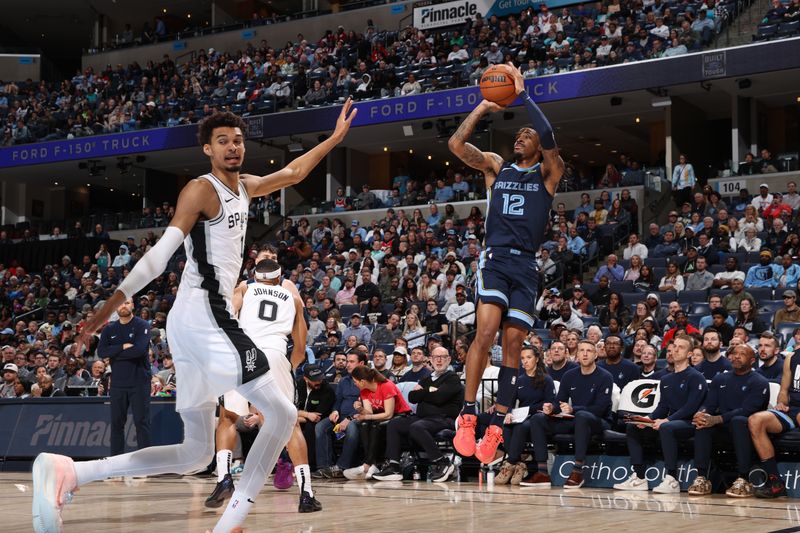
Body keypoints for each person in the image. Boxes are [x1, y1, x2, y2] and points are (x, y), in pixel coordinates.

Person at [31, 104, 357, 533]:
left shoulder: (246, 188)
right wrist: (109, 306)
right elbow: (160, 254)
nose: (232, 147)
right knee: (281, 414)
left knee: (196, 454)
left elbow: (294, 173)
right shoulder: (201, 190)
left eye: (238, 140)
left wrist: (334, 139)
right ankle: (231, 523)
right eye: (222, 141)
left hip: (191, 322)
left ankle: (71, 472)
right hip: (207, 316)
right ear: (208, 149)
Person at [448, 64, 564, 464]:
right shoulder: (497, 166)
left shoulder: (550, 173)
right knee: (486, 331)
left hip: (527, 265)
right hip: (495, 259)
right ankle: (467, 414)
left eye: (526, 134)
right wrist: (483, 106)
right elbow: (456, 145)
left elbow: (548, 136)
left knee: (514, 345)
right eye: (519, 132)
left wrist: (525, 95)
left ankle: (496, 425)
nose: (522, 135)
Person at [208, 258, 320, 513]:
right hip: (275, 354)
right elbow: (300, 349)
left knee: (227, 418)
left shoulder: (244, 289)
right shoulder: (293, 299)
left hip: (244, 354)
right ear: (279, 279)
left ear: (256, 277)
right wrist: (286, 367)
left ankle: (224, 477)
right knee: (289, 424)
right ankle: (306, 493)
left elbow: (224, 319)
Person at [614, 335, 707, 493]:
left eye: (681, 347)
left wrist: (666, 420)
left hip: (690, 423)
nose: (675, 350)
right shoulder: (666, 379)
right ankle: (639, 476)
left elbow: (691, 407)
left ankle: (672, 479)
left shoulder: (696, 377)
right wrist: (647, 419)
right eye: (674, 347)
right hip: (671, 421)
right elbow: (663, 406)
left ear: (690, 354)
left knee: (667, 428)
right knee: (634, 427)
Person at [523, 341, 613, 488]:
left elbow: (600, 409)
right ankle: (542, 473)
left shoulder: (605, 376)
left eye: (589, 351)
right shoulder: (569, 375)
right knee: (538, 418)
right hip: (575, 419)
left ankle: (578, 471)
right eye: (581, 351)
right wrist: (552, 408)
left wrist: (573, 409)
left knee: (582, 416)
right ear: (576, 355)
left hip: (598, 421)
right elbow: (560, 402)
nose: (584, 354)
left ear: (596, 355)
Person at [687, 344, 769, 497]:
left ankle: (744, 479)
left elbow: (747, 410)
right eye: (734, 353)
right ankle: (702, 477)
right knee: (702, 424)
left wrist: (717, 418)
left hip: (747, 429)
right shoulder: (720, 378)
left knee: (739, 420)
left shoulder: (760, 382)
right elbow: (709, 404)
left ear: (752, 361)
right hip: (723, 427)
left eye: (742, 354)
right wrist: (701, 413)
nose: (736, 356)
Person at [373, 345, 464, 483]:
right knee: (394, 424)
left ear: (449, 359)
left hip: (444, 419)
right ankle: (394, 466)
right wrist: (430, 391)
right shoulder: (427, 379)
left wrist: (424, 392)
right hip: (423, 418)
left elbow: (440, 398)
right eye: (435, 357)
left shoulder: (452, 378)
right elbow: (412, 397)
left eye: (442, 357)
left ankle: (442, 462)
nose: (439, 360)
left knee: (417, 426)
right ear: (430, 360)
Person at [493, 345, 556, 485]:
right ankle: (520, 465)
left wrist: (528, 410)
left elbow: (549, 403)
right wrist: (509, 412)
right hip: (521, 415)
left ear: (537, 359)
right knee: (507, 426)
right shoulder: (519, 380)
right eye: (522, 358)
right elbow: (510, 400)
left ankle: (509, 464)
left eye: (529, 357)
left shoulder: (546, 380)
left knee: (522, 426)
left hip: (538, 418)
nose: (525, 361)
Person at [97, 298, 152, 456]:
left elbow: (139, 350)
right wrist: (122, 346)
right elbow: (101, 352)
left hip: (139, 382)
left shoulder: (142, 325)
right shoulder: (109, 329)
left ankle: (145, 462)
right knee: (116, 424)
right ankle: (116, 462)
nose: (123, 306)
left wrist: (114, 352)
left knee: (142, 423)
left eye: (127, 303)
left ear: (133, 305)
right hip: (118, 384)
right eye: (120, 303)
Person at [747, 346, 800, 498]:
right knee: (755, 420)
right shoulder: (792, 357)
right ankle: (776, 482)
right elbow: (784, 390)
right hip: (793, 408)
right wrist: (781, 403)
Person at [344, 365, 412, 480]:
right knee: (364, 424)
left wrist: (366, 417)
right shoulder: (364, 391)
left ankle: (367, 464)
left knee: (375, 425)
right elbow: (369, 413)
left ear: (363, 381)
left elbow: (389, 414)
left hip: (400, 416)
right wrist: (360, 410)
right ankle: (372, 464)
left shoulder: (386, 386)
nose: (354, 384)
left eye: (355, 381)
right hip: (381, 416)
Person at [314, 351, 366, 479]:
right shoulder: (343, 380)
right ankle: (324, 467)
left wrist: (349, 418)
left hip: (359, 417)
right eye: (347, 361)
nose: (347, 365)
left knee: (352, 428)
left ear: (361, 363)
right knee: (320, 427)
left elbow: (365, 405)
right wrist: (335, 411)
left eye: (351, 362)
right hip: (341, 417)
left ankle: (342, 467)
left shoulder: (366, 380)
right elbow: (338, 400)